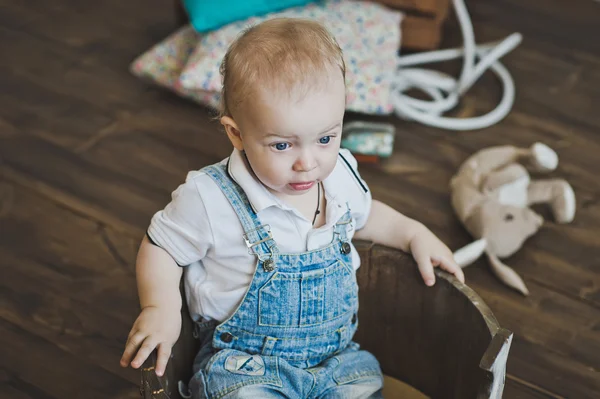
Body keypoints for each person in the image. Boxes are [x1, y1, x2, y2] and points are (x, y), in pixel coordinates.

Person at [121, 17, 464, 399]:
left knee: (365, 388)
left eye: (325, 138)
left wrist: (413, 232)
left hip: (336, 362)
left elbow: (366, 215)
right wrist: (160, 305)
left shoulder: (339, 178)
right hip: (246, 367)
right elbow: (161, 247)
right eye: (283, 145)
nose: (308, 163)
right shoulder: (210, 197)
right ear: (237, 134)